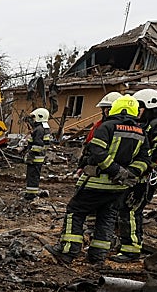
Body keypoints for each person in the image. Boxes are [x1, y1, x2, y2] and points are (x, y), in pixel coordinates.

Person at [47, 95, 147, 266]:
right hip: (118, 188)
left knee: (75, 211)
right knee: (106, 218)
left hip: (95, 183)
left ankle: (68, 251)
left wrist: (114, 170)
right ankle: (97, 256)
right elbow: (144, 160)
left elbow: (96, 151)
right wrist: (128, 173)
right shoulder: (140, 132)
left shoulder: (107, 126)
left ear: (116, 108)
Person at [115, 89, 157, 262]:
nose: (136, 111)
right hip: (141, 175)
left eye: (138, 107)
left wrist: (147, 164)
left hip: (146, 177)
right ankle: (126, 244)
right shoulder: (150, 122)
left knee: (131, 210)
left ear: (148, 106)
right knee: (126, 209)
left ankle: (131, 250)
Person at [22, 108, 54, 201]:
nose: (33, 120)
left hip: (35, 157)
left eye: (34, 117)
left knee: (32, 176)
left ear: (40, 117)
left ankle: (31, 195)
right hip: (39, 157)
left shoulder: (39, 129)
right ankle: (31, 193)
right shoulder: (43, 128)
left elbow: (38, 145)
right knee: (34, 176)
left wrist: (31, 154)